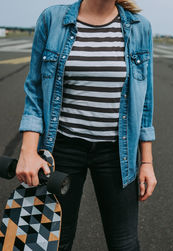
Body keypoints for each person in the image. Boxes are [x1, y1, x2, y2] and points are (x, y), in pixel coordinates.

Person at [16, 0, 157, 250]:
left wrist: (146, 162)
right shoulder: (52, 19)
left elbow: (145, 101)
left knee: (124, 244)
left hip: (117, 153)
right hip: (61, 149)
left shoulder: (139, 28)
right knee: (54, 242)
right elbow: (35, 89)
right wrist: (28, 151)